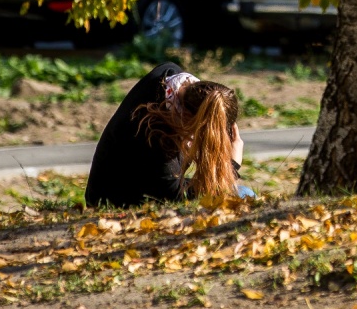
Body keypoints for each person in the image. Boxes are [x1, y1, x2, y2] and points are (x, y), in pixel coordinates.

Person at [85, 63, 250, 207]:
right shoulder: (154, 139)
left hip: (151, 187)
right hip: (121, 203)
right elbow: (179, 200)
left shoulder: (171, 81)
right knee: (244, 195)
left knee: (243, 193)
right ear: (188, 119)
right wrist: (232, 166)